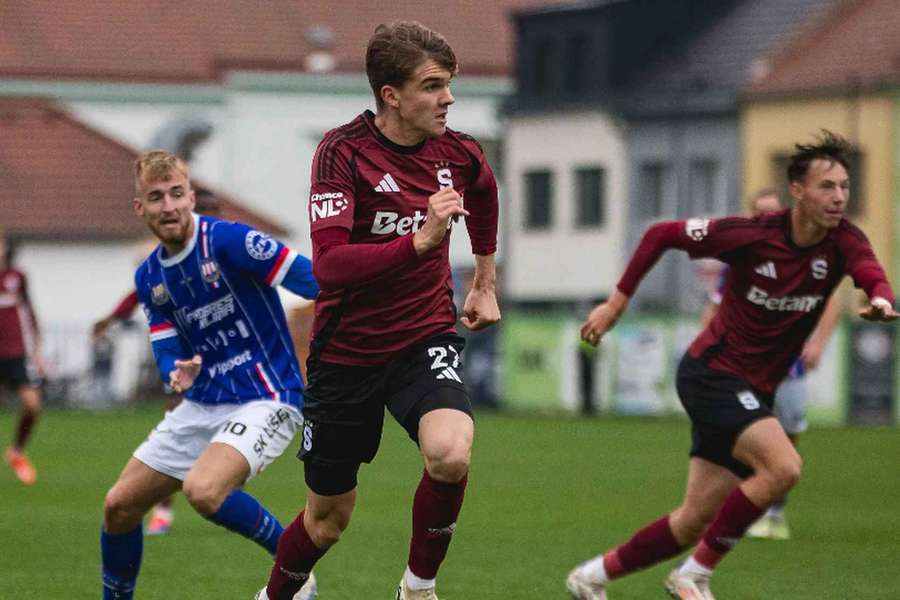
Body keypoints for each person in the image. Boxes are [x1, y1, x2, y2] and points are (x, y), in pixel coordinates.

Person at [567, 130, 897, 600]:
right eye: (828, 186)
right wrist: (616, 304)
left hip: (752, 388)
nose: (839, 196)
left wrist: (881, 299)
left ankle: (591, 577)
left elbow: (870, 272)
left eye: (845, 185)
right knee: (783, 468)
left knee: (692, 520)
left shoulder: (843, 241)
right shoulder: (752, 235)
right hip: (712, 373)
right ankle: (695, 575)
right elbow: (661, 234)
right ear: (798, 191)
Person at [257, 21, 500, 600]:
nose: (448, 98)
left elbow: (485, 191)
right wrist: (418, 240)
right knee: (327, 522)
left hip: (423, 337)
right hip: (346, 355)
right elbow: (331, 266)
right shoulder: (343, 153)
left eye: (449, 84)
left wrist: (484, 279)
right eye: (433, 85)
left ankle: (417, 589)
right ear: (391, 95)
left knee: (450, 453)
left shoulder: (459, 152)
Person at [100, 151, 320, 600]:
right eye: (156, 197)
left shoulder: (229, 241)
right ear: (140, 208)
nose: (169, 206)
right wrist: (174, 372)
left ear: (191, 196)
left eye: (177, 194)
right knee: (119, 507)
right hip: (203, 402)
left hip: (267, 394)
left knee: (204, 490)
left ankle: (296, 573)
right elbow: (166, 343)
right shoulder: (149, 277)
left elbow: (312, 280)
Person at [701, 189, 842, 541]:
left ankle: (775, 510)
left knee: (789, 433)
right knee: (748, 437)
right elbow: (715, 309)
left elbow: (832, 303)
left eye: (772, 212)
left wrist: (819, 344)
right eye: (760, 213)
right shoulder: (739, 260)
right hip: (746, 368)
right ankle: (749, 509)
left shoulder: (806, 256)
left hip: (790, 366)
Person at [93, 188, 224, 536]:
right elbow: (138, 293)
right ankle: (165, 511)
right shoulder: (171, 260)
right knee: (177, 430)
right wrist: (110, 319)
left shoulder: (229, 254)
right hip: (188, 361)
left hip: (230, 360)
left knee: (229, 434)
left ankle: (225, 497)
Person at [0, 232, 45, 485]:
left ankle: (17, 451)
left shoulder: (18, 277)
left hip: (15, 353)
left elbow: (30, 312)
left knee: (32, 404)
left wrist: (37, 351)